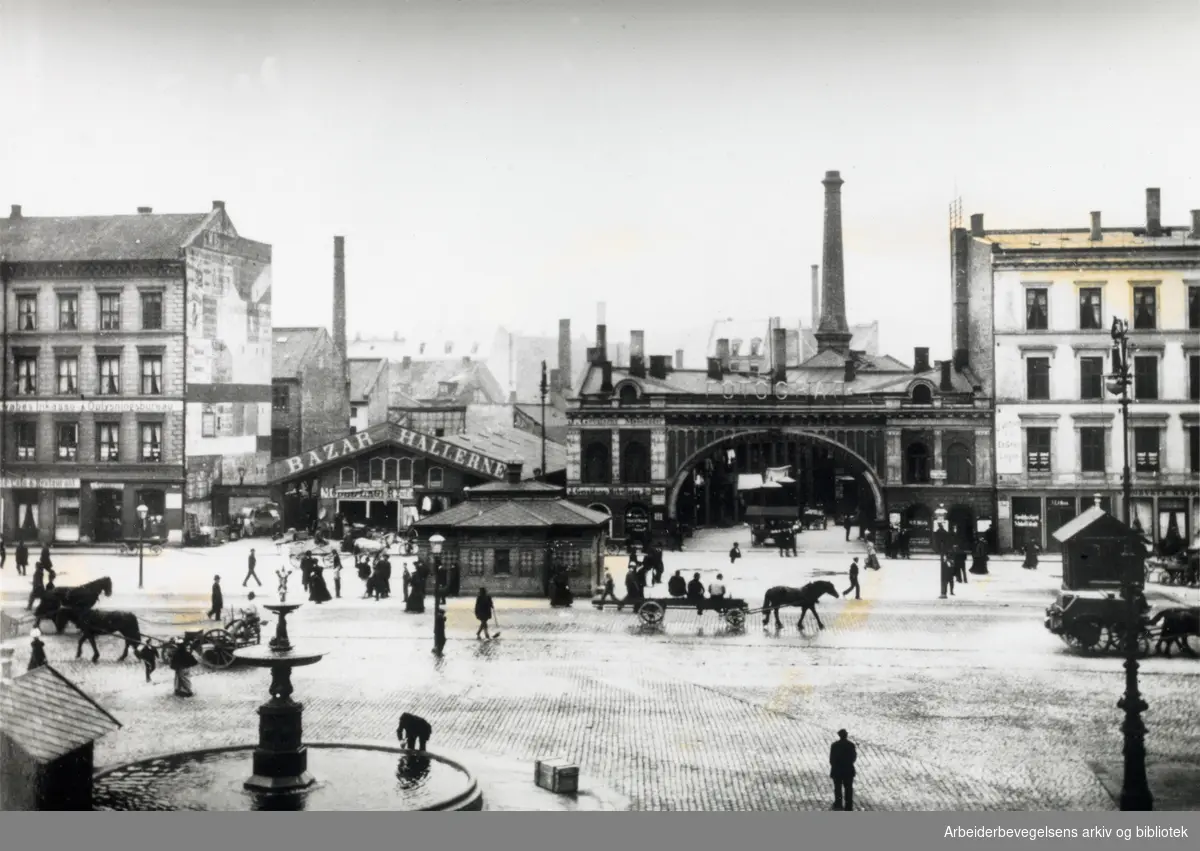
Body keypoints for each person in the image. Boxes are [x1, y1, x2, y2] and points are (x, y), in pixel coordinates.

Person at [830, 729, 858, 811]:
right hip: (848, 770)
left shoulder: (834, 745)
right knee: (848, 788)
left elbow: (832, 759)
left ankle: (838, 803)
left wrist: (835, 766)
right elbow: (854, 757)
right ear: (846, 735)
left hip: (837, 770)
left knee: (837, 788)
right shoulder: (851, 745)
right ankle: (848, 805)